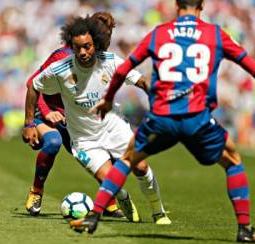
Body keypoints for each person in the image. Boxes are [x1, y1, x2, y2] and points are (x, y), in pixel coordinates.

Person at [70, 0, 255, 243]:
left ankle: (94, 216)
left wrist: (109, 99)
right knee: (233, 161)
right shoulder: (215, 34)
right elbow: (253, 67)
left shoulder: (160, 33)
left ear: (176, 5)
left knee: (126, 160)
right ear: (202, 5)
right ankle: (244, 229)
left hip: (162, 117)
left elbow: (123, 70)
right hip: (198, 119)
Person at [22, 15, 171, 225]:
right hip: (82, 135)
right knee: (108, 178)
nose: (83, 52)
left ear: (97, 41)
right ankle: (120, 197)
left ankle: (159, 213)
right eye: (78, 47)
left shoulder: (110, 61)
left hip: (113, 127)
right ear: (71, 45)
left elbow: (141, 80)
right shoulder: (61, 65)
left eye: (88, 46)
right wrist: (30, 122)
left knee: (141, 167)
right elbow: (34, 85)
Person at [24, 12, 127, 218]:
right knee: (52, 142)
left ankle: (108, 201)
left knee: (100, 156)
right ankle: (36, 191)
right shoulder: (62, 56)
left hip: (72, 120)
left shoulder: (100, 60)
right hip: (46, 114)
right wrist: (40, 117)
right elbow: (33, 85)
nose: (103, 47)